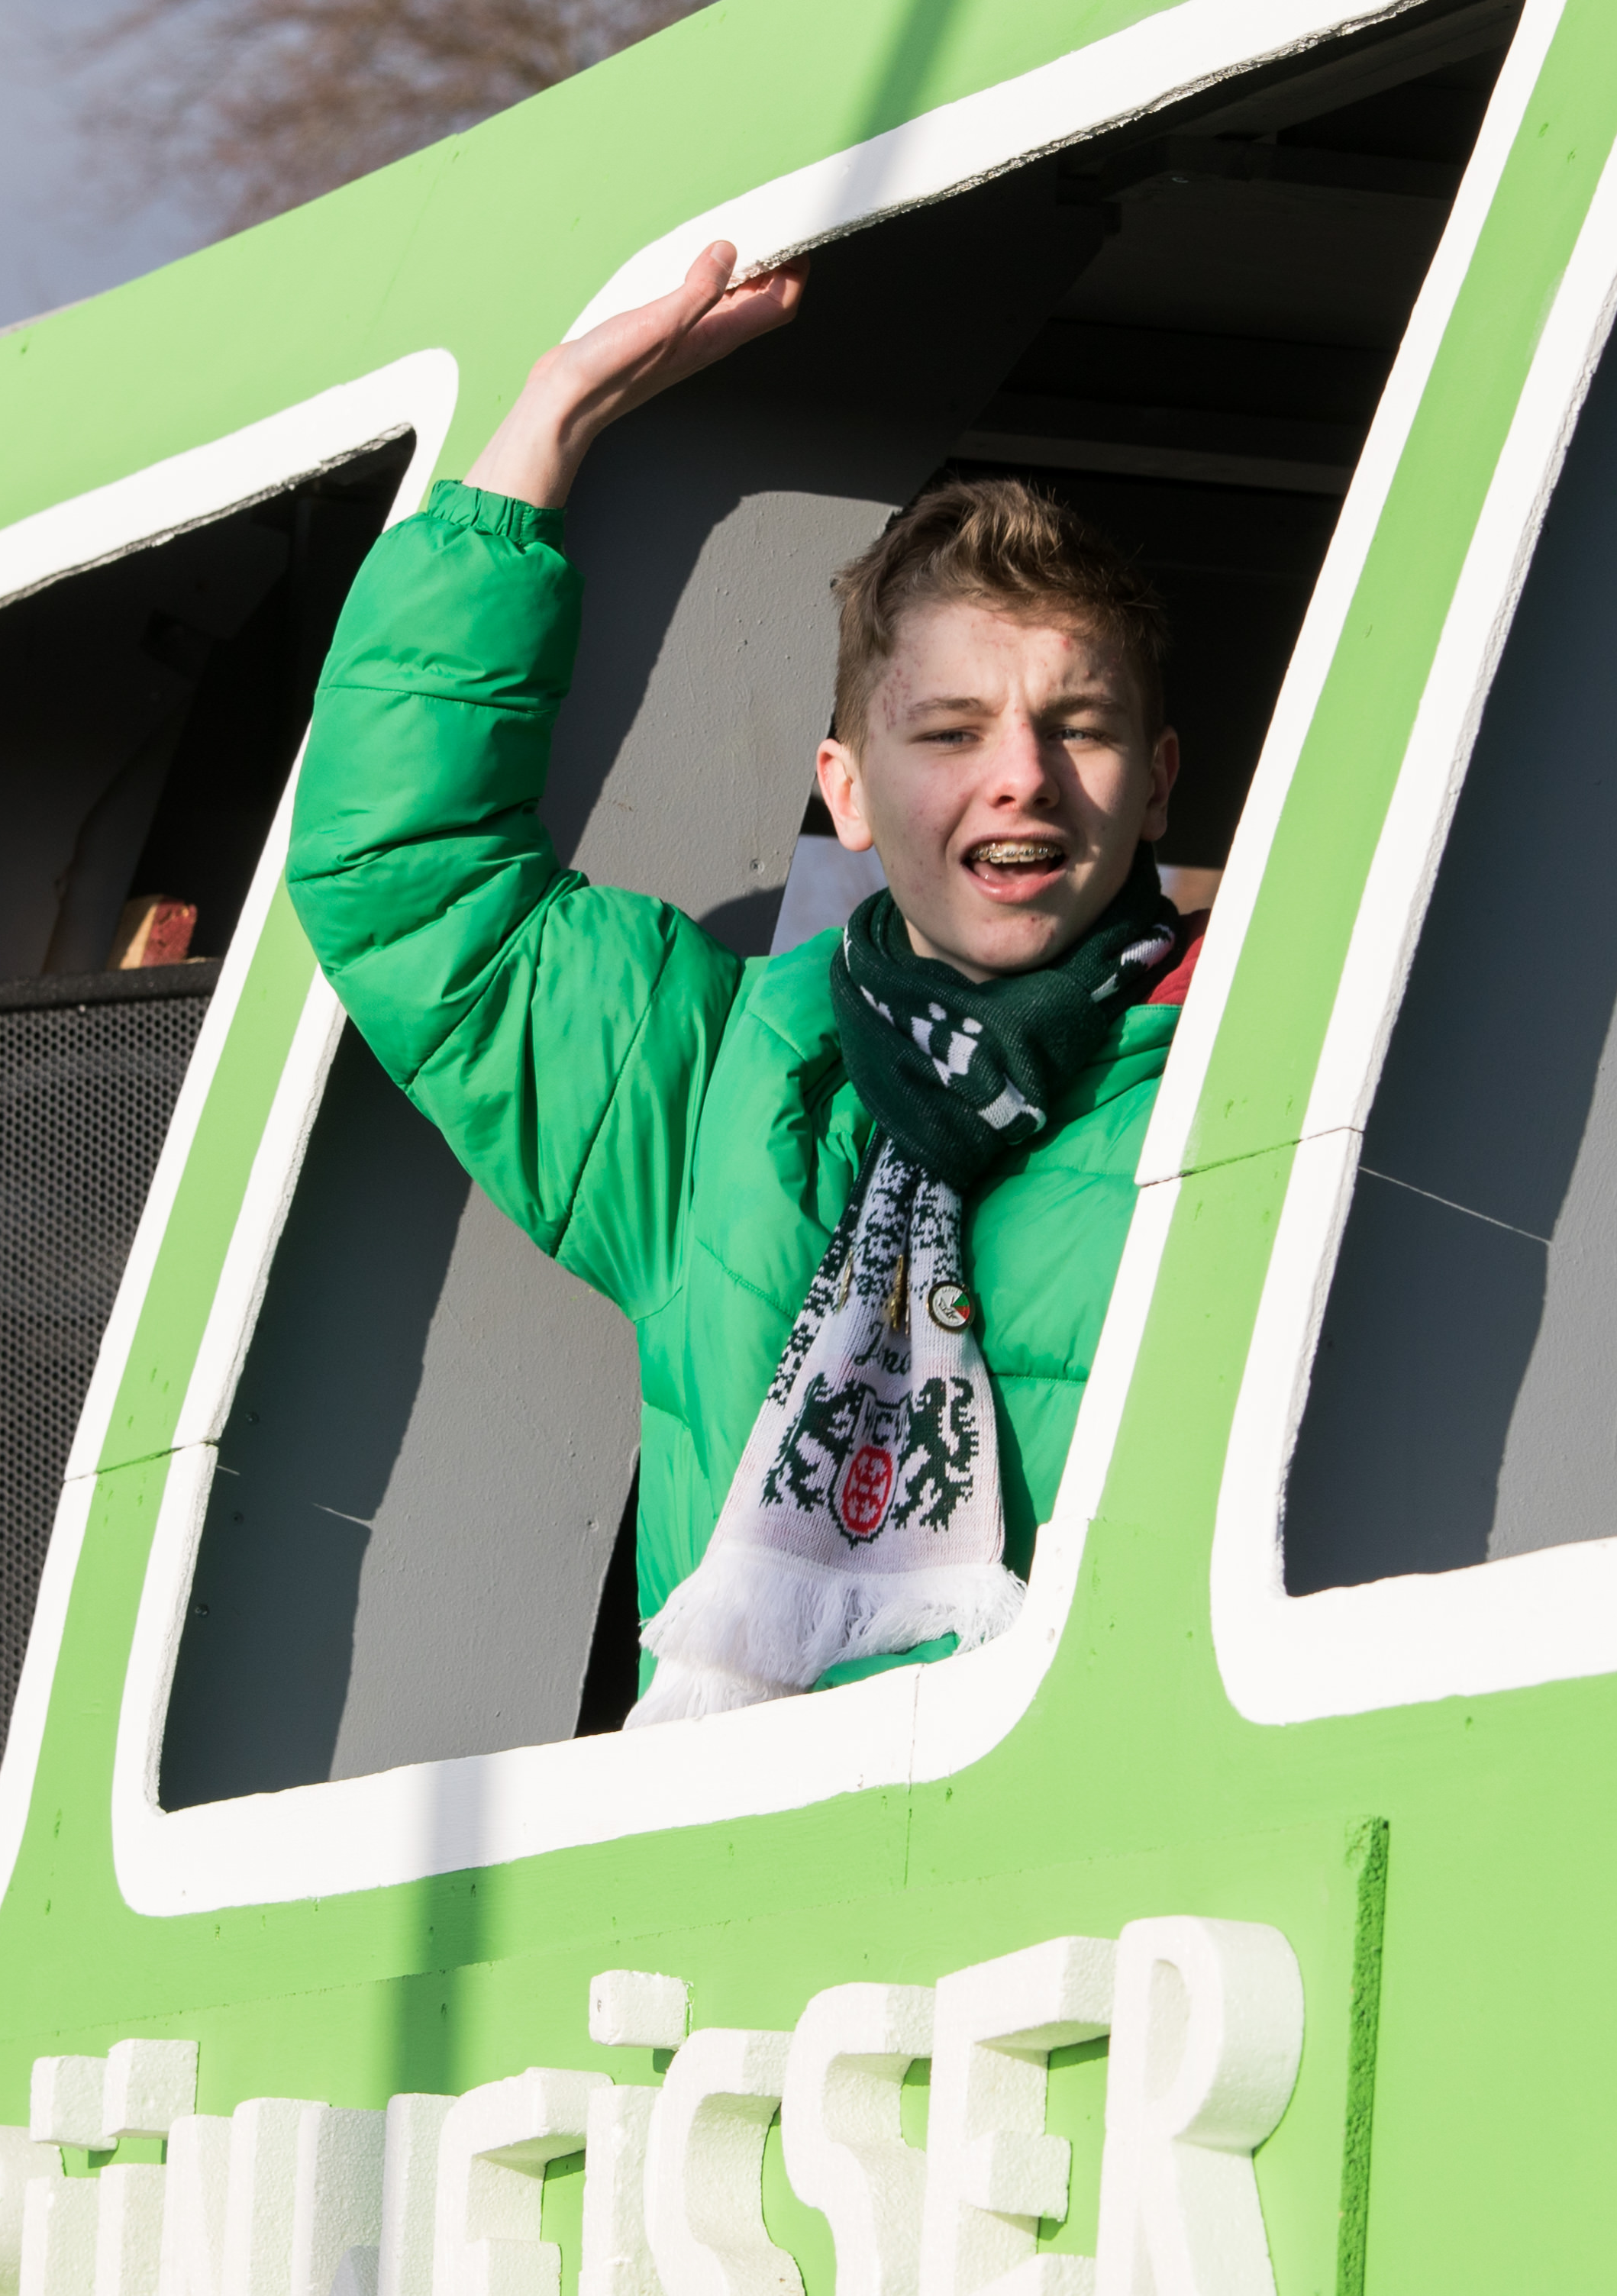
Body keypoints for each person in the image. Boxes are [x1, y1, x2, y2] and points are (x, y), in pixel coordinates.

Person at [287, 244, 1201, 1724]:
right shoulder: (718, 1084)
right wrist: (549, 422)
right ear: (848, 788)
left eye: (1076, 724)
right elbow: (400, 873)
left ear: (1154, 780)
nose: (1022, 777)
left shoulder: (1251, 1078)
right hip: (748, 1865)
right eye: (951, 731)